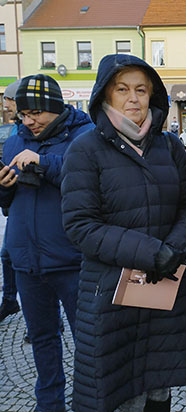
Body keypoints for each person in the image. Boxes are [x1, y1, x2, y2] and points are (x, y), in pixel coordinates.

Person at [61, 54, 186, 412]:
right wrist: (153, 252)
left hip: (162, 293)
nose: (133, 98)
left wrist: (176, 249)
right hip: (111, 296)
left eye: (141, 89)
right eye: (123, 89)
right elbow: (80, 225)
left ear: (153, 95)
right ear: (106, 94)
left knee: (158, 392)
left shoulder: (170, 147)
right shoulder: (85, 150)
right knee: (120, 395)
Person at [0, 74, 93, 412]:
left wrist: (45, 163)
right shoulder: (14, 140)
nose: (28, 121)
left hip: (71, 259)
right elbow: (8, 204)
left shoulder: (85, 136)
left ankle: (89, 401)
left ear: (54, 108)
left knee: (88, 341)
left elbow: (88, 180)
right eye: (22, 115)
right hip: (26, 260)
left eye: (35, 113)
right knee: (42, 338)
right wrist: (4, 186)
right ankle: (49, 403)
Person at [0, 79, 20, 323]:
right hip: (15, 204)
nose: (6, 109)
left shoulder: (25, 128)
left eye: (8, 104)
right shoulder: (15, 131)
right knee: (7, 255)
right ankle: (10, 300)